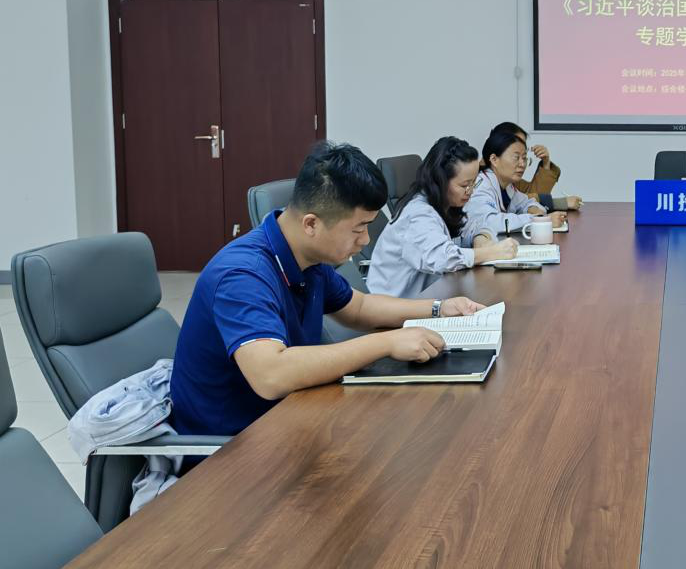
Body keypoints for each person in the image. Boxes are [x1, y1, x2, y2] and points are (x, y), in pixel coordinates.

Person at [170, 141, 485, 437]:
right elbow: (271, 374)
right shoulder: (242, 275)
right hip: (233, 446)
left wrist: (438, 308)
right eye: (359, 228)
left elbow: (359, 308)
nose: (365, 240)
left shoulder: (306, 256)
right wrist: (387, 343)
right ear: (311, 224)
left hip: (293, 414)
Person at [366, 136, 521, 298]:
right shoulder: (418, 214)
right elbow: (443, 258)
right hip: (394, 306)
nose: (470, 191)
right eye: (464, 185)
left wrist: (480, 237)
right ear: (440, 181)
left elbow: (476, 224)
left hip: (429, 297)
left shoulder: (447, 204)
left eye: (473, 183)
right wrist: (490, 252)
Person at [465, 127, 567, 236]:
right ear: (494, 159)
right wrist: (538, 220)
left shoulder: (507, 186)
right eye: (516, 157)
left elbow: (526, 202)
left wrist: (533, 209)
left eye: (524, 158)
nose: (522, 164)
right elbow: (490, 223)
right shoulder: (481, 185)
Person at [489, 121, 583, 211]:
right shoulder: (484, 179)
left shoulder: (507, 178)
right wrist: (558, 203)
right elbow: (511, 209)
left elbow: (531, 196)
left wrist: (545, 163)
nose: (522, 164)